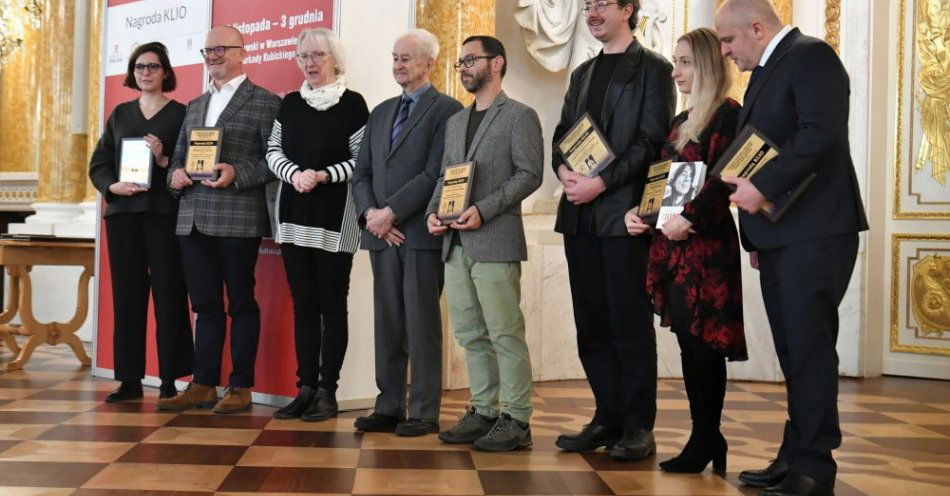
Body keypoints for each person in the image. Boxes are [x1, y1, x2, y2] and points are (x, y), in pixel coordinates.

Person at [715, 2, 868, 495]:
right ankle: (793, 453)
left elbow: (821, 136)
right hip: (785, 235)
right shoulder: (767, 70)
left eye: (729, 41)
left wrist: (762, 189)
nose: (725, 51)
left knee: (808, 349)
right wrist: (759, 234)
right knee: (792, 350)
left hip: (817, 231)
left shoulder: (811, 56)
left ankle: (815, 467)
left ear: (757, 28)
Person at [551, 0, 675, 460]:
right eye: (587, 6)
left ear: (628, 9)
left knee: (628, 325)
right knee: (592, 326)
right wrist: (564, 171)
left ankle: (639, 426)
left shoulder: (654, 70)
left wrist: (600, 182)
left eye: (602, 4)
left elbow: (650, 143)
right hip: (579, 217)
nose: (592, 12)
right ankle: (607, 417)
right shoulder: (582, 74)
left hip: (622, 217)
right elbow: (563, 133)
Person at [625, 27, 747, 475]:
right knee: (687, 343)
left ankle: (707, 438)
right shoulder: (680, 122)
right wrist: (641, 213)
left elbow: (724, 177)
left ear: (709, 65)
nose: (675, 71)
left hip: (705, 248)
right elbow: (661, 177)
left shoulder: (727, 114)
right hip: (672, 248)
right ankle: (706, 437)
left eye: (685, 62)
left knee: (704, 346)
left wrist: (691, 218)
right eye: (675, 62)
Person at [426, 35, 542, 452]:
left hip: (494, 239)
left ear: (497, 63)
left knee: (504, 332)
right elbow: (446, 176)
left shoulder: (520, 115)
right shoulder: (456, 121)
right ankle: (484, 409)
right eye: (459, 63)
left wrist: (485, 209)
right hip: (455, 243)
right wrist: (433, 213)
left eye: (470, 60)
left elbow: (530, 173)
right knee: (471, 333)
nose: (462, 69)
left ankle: (517, 417)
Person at [157, 26, 281, 415]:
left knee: (241, 303)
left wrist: (237, 173)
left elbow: (273, 162)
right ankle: (204, 383)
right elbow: (178, 158)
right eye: (207, 49)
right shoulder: (194, 105)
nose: (213, 55)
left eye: (221, 49)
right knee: (205, 306)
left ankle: (241, 386)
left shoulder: (265, 102)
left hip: (237, 218)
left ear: (243, 53)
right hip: (192, 219)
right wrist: (174, 176)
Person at [351, 29, 462, 435]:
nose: (398, 64)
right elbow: (361, 173)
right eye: (395, 57)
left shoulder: (447, 110)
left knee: (421, 324)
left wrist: (393, 213)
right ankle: (388, 405)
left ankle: (424, 412)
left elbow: (435, 173)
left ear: (430, 63)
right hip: (381, 236)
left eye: (406, 58)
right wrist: (371, 216)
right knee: (389, 323)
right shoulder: (380, 112)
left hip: (418, 235)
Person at [266, 28, 369, 422]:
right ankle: (305, 388)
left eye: (318, 55)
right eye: (303, 56)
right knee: (304, 306)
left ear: (335, 59)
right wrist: (294, 174)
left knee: (332, 306)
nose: (310, 62)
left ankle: (329, 391)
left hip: (335, 217)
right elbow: (273, 150)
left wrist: (324, 175)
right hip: (294, 215)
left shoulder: (354, 104)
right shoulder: (290, 103)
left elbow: (363, 161)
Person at [88, 41, 194, 403]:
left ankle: (169, 379)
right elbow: (99, 163)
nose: (145, 73)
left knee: (169, 296)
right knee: (128, 298)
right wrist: (112, 185)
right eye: (139, 67)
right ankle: (129, 380)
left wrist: (163, 159)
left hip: (164, 216)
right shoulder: (120, 114)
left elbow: (189, 165)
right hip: (124, 217)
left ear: (166, 71)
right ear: (132, 73)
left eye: (152, 66)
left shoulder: (182, 113)